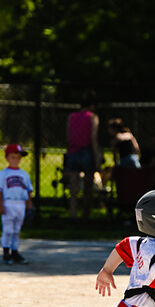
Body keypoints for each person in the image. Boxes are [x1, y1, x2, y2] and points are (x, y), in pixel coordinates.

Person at [0, 144, 33, 265]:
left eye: (18, 157)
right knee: (8, 229)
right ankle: (6, 252)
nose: (16, 160)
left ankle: (15, 252)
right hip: (8, 203)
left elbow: (29, 190)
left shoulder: (24, 174)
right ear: (7, 157)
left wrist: (29, 204)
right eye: (13, 157)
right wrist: (1, 205)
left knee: (17, 229)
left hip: (20, 204)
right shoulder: (3, 173)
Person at [65, 90, 100, 221]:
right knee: (88, 186)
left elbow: (68, 137)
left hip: (73, 151)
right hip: (86, 151)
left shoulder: (72, 116)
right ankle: (86, 215)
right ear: (92, 105)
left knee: (73, 187)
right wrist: (96, 157)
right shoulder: (92, 117)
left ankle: (73, 215)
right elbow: (93, 138)